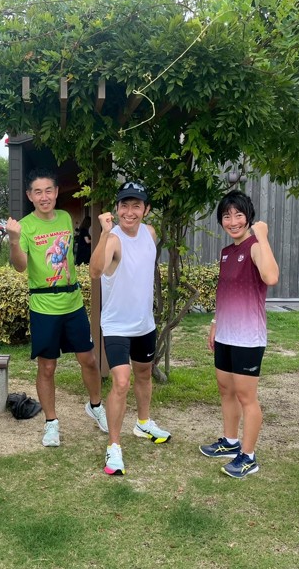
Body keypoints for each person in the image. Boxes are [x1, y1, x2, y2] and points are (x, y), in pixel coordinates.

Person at [6, 169, 108, 447]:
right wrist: (14, 240)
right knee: (47, 367)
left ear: (56, 192)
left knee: (89, 359)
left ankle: (96, 406)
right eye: (37, 192)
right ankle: (51, 423)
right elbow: (20, 266)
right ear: (29, 196)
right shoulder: (24, 226)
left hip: (73, 303)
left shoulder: (64, 217)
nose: (44, 197)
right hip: (43, 306)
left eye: (48, 190)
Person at [89, 182, 171, 476]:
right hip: (116, 326)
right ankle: (114, 446)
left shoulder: (150, 233)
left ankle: (143, 423)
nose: (129, 212)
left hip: (144, 323)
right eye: (124, 205)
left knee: (144, 374)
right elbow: (95, 271)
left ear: (146, 209)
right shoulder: (113, 239)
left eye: (136, 206)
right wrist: (103, 234)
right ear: (117, 208)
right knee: (121, 382)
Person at [199, 190, 279, 479]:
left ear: (249, 217)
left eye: (238, 215)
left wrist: (263, 237)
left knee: (247, 397)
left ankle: (248, 456)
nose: (232, 221)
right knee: (226, 389)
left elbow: (271, 277)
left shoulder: (255, 246)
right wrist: (215, 322)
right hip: (226, 333)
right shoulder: (226, 252)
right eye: (226, 216)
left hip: (248, 336)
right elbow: (226, 291)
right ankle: (230, 442)